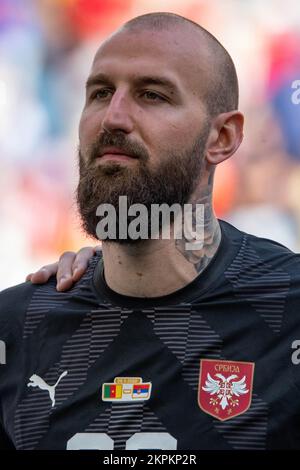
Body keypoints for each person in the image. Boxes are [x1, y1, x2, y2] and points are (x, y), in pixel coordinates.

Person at [1, 12, 300, 451]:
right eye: (100, 93)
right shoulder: (18, 328)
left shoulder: (288, 312)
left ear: (222, 136)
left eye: (152, 95)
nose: (114, 117)